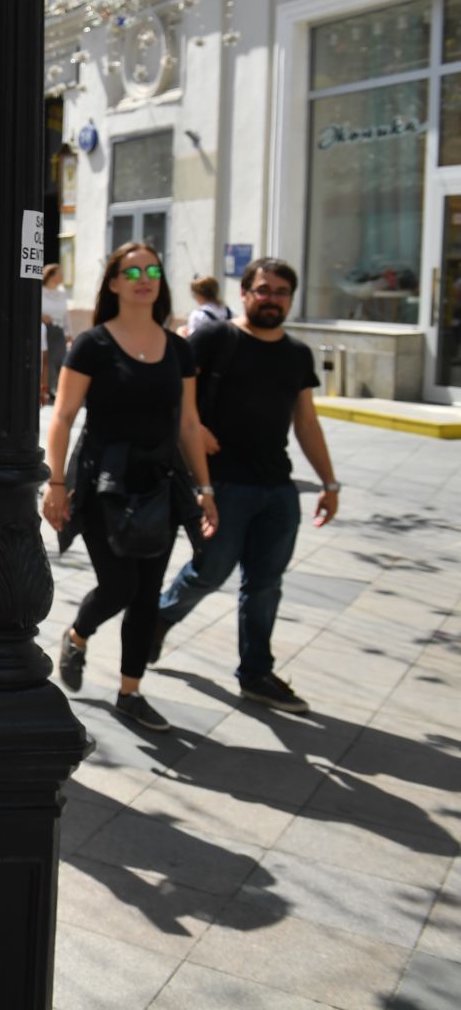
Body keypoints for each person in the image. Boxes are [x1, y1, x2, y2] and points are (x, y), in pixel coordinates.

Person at [43, 243, 217, 733]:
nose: (144, 278)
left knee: (147, 594)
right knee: (120, 584)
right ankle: (79, 634)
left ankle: (130, 691)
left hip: (157, 485)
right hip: (102, 483)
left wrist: (205, 489)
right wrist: (56, 482)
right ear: (114, 283)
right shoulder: (92, 345)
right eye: (132, 270)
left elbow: (188, 423)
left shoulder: (179, 349)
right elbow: (62, 417)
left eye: (153, 270)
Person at [153, 258, 338, 714]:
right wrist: (195, 432)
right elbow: (172, 391)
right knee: (208, 573)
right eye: (263, 289)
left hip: (278, 489)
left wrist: (329, 481)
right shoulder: (217, 338)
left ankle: (255, 672)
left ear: (291, 299)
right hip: (222, 486)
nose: (271, 298)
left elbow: (307, 422)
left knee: (265, 584)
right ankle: (156, 619)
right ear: (245, 293)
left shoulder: (297, 354)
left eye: (280, 292)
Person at [41, 262, 71, 405]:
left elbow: (66, 314)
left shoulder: (62, 292)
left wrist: (68, 331)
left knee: (61, 360)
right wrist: (41, 316)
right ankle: (46, 390)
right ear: (51, 275)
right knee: (47, 361)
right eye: (59, 273)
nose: (62, 276)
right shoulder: (40, 291)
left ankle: (58, 390)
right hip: (45, 329)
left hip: (58, 329)